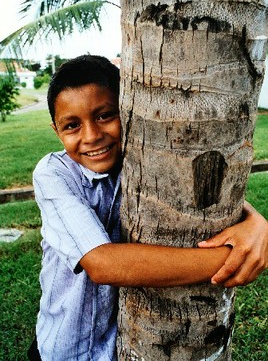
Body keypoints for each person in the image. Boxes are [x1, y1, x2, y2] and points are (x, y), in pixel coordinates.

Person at [29, 54, 268, 361]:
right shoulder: (54, 173)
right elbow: (102, 264)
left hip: (121, 347)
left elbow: (195, 197)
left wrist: (257, 222)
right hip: (62, 350)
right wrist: (233, 257)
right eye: (72, 125)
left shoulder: (141, 161)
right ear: (56, 131)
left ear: (126, 112)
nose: (91, 136)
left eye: (104, 115)